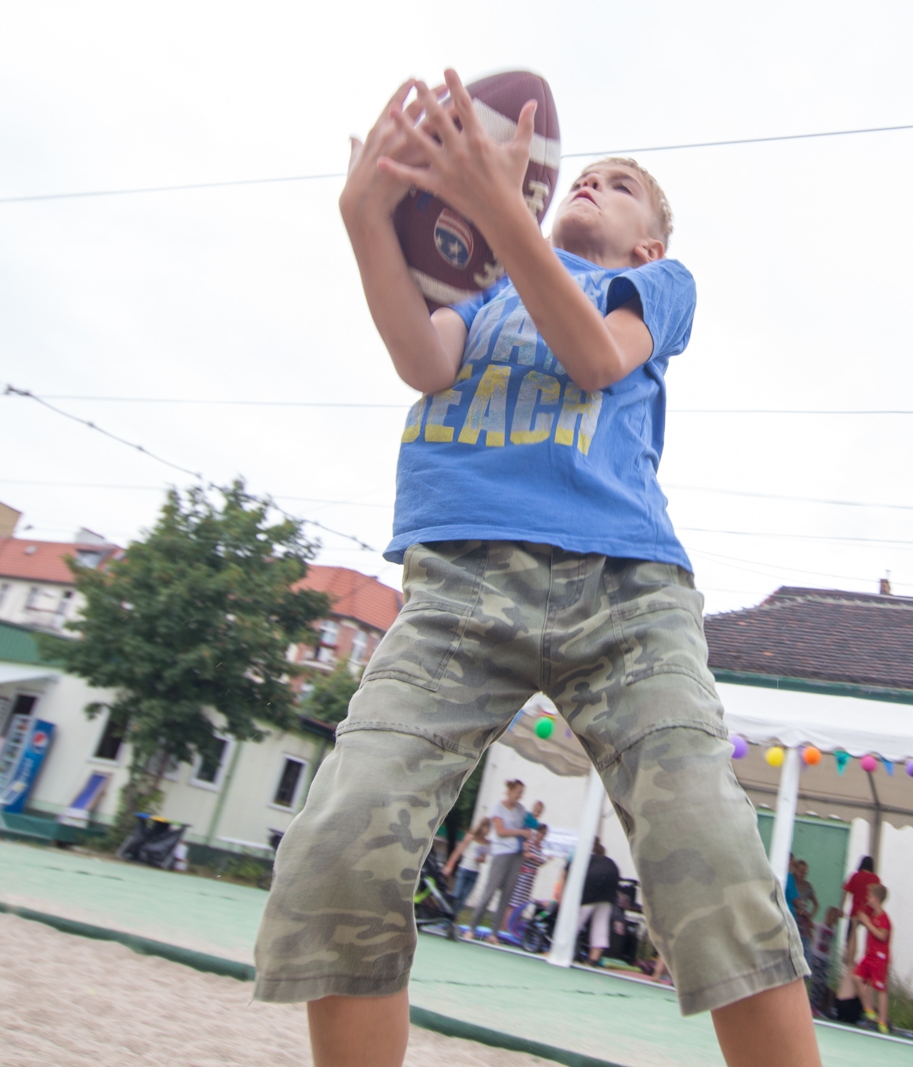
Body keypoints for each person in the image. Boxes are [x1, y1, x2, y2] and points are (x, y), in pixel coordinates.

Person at [253, 71, 819, 1067]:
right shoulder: (481, 295)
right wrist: (362, 218)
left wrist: (495, 213)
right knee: (344, 833)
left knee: (708, 846)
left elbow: (598, 357)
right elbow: (420, 362)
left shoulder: (655, 288)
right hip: (461, 590)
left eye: (618, 185)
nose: (591, 185)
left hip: (626, 596)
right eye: (582, 178)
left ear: (651, 242)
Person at [463, 779, 532, 942]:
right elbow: (500, 831)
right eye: (518, 792)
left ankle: (494, 933)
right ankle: (472, 928)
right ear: (510, 791)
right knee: (490, 890)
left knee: (507, 894)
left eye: (522, 793)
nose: (520, 796)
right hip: (501, 852)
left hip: (516, 854)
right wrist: (520, 832)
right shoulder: (498, 807)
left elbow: (528, 826)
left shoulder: (521, 810)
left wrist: (528, 834)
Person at [852, 883, 892, 1034]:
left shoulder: (883, 918)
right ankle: (870, 1011)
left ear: (876, 899)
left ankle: (882, 1020)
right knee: (857, 977)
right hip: (869, 955)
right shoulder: (872, 915)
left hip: (879, 957)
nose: (867, 899)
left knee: (880, 988)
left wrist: (867, 923)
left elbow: (882, 935)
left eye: (869, 896)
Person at [576, 841, 621, 966]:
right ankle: (593, 959)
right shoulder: (608, 862)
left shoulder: (582, 857)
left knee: (575, 922)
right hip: (608, 893)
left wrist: (561, 900)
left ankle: (561, 951)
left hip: (592, 889)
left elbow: (564, 876)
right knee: (601, 925)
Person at [501, 822, 547, 938]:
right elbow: (523, 854)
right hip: (522, 876)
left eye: (545, 834)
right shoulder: (529, 842)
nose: (543, 836)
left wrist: (539, 860)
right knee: (513, 904)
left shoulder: (540, 847)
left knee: (522, 905)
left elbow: (539, 862)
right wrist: (532, 856)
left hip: (530, 879)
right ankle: (505, 928)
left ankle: (514, 929)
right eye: (542, 833)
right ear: (537, 832)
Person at [441, 817, 491, 915]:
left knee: (463, 898)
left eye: (489, 828)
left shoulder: (487, 843)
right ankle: (446, 913)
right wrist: (449, 865)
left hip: (475, 872)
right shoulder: (470, 837)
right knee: (456, 894)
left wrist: (481, 859)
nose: (487, 830)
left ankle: (453, 916)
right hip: (465, 868)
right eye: (486, 827)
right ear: (481, 827)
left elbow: (484, 859)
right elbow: (458, 851)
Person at [841, 856, 881, 964]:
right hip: (869, 913)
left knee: (851, 935)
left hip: (856, 911)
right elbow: (878, 897)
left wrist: (841, 908)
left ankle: (848, 956)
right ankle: (869, 959)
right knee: (870, 937)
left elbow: (845, 893)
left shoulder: (855, 876)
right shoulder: (875, 878)